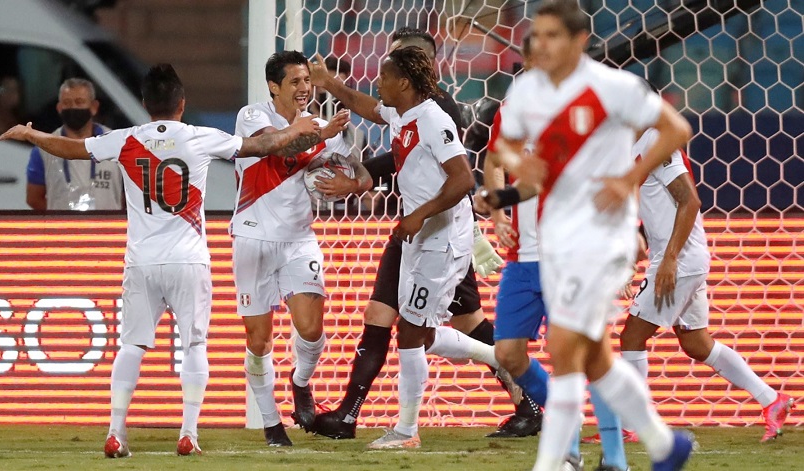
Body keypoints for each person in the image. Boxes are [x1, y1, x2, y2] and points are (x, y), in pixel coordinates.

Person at [0, 63, 322, 458]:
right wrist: (299, 130)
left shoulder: (125, 139)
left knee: (131, 346)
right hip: (188, 259)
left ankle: (116, 431)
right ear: (181, 104)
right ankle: (188, 432)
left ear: (144, 104)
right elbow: (261, 146)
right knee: (195, 344)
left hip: (142, 261)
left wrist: (32, 134)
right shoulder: (201, 136)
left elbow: (72, 149)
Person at [307, 29, 542, 443]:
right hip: (420, 238)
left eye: (384, 76)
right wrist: (329, 83)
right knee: (423, 332)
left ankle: (406, 430)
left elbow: (462, 178)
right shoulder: (403, 113)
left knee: (412, 334)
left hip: (441, 240)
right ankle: (503, 360)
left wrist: (417, 214)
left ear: (404, 82)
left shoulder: (434, 120)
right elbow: (367, 106)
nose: (377, 83)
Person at [495, 1, 696, 469]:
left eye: (553, 35)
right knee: (594, 358)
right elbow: (505, 147)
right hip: (557, 238)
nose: (541, 44)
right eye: (537, 35)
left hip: (605, 237)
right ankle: (664, 445)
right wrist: (515, 167)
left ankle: (555, 462)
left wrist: (629, 179)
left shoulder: (614, 88)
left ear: (580, 41)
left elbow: (676, 128)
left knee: (564, 350)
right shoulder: (526, 92)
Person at [622, 120, 794, 443]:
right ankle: (772, 400)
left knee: (632, 336)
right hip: (682, 257)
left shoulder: (656, 140)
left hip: (679, 259)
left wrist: (670, 258)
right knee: (696, 343)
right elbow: (656, 208)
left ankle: (634, 424)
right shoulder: (633, 145)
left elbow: (690, 201)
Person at [232, 50, 371, 447]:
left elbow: (360, 172)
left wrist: (351, 184)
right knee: (259, 340)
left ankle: (301, 382)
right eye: (295, 81)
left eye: (307, 80)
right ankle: (272, 424)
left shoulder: (323, 127)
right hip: (253, 237)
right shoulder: (252, 116)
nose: (304, 88)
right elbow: (275, 147)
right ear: (274, 87)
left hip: (298, 239)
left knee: (311, 328)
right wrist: (320, 136)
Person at [25, 78, 124, 211]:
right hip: (63, 225)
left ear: (94, 107)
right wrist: (60, 218)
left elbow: (129, 195)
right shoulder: (43, 149)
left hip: (106, 224)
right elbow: (34, 198)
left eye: (79, 102)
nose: (73, 107)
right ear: (59, 108)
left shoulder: (116, 144)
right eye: (67, 103)